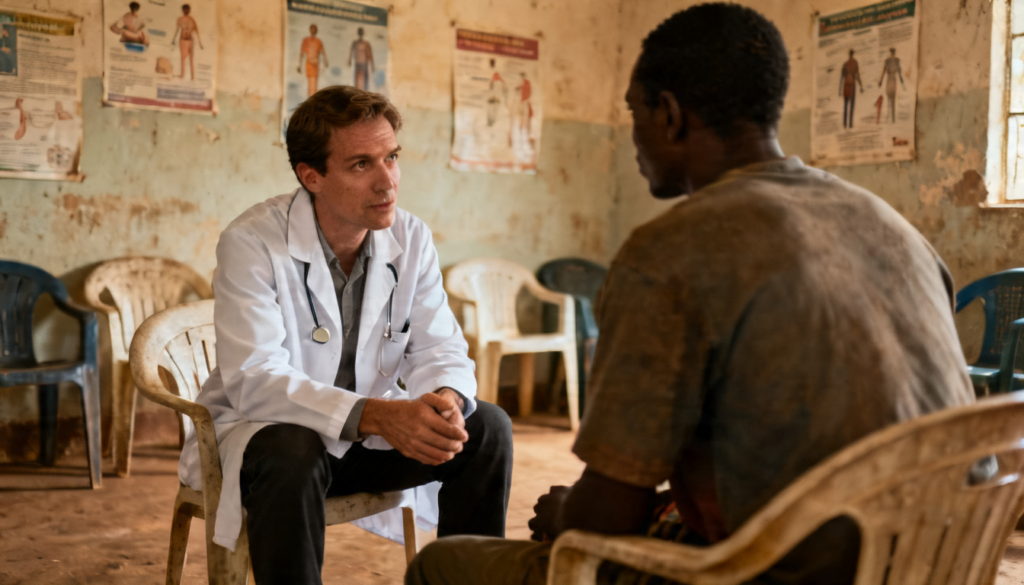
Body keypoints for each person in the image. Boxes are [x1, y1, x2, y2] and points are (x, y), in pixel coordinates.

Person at [406, 5, 975, 585]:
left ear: (670, 114)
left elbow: (606, 522)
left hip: (767, 572)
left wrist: (565, 514)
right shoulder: (893, 227)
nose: (633, 136)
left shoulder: (669, 251)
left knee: (443, 564)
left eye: (634, 112)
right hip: (930, 562)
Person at [178, 85, 513, 585]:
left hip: (368, 441)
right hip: (268, 446)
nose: (388, 182)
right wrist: (377, 414)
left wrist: (444, 398)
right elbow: (256, 380)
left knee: (484, 428)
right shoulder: (251, 242)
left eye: (392, 158)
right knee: (292, 449)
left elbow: (439, 346)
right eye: (362, 164)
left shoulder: (411, 238)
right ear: (311, 176)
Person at [171, 4, 203, 81]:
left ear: (189, 10)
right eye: (184, 9)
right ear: (183, 10)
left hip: (190, 41)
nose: (186, 10)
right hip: (182, 40)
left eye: (187, 9)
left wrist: (200, 43)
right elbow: (177, 30)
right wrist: (173, 39)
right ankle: (182, 75)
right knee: (183, 58)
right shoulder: (180, 19)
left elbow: (196, 31)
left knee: (191, 59)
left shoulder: (192, 20)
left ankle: (192, 77)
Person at [298, 24, 327, 98]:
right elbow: (302, 53)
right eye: (312, 29)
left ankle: (311, 101)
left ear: (316, 31)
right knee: (310, 86)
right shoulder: (306, 40)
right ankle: (310, 101)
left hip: (315, 65)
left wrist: (326, 61)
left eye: (315, 29)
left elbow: (322, 52)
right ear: (310, 30)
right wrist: (299, 65)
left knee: (313, 86)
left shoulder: (318, 41)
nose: (313, 30)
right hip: (309, 64)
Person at [879, 47, 905, 123]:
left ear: (890, 52)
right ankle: (893, 119)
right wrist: (902, 83)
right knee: (893, 98)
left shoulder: (887, 61)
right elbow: (900, 73)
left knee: (888, 98)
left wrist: (880, 82)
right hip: (893, 80)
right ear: (894, 52)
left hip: (889, 80)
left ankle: (888, 117)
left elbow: (883, 72)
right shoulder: (897, 61)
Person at [839, 48, 863, 129]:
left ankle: (845, 124)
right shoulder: (855, 63)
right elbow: (857, 75)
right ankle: (850, 124)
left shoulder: (845, 64)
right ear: (853, 54)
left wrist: (839, 90)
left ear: (849, 54)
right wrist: (861, 85)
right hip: (852, 85)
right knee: (852, 105)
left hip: (846, 85)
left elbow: (841, 77)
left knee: (845, 105)